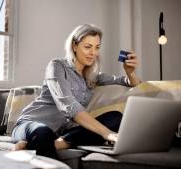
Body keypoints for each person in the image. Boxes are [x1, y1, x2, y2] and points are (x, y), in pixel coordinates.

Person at [11, 24, 141, 159]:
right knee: (43, 133)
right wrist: (107, 133)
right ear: (74, 46)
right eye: (87, 47)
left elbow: (131, 83)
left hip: (61, 133)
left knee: (115, 118)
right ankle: (47, 152)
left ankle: (48, 144)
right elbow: (69, 106)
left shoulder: (94, 77)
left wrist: (130, 73)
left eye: (97, 47)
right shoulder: (56, 66)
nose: (93, 53)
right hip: (31, 125)